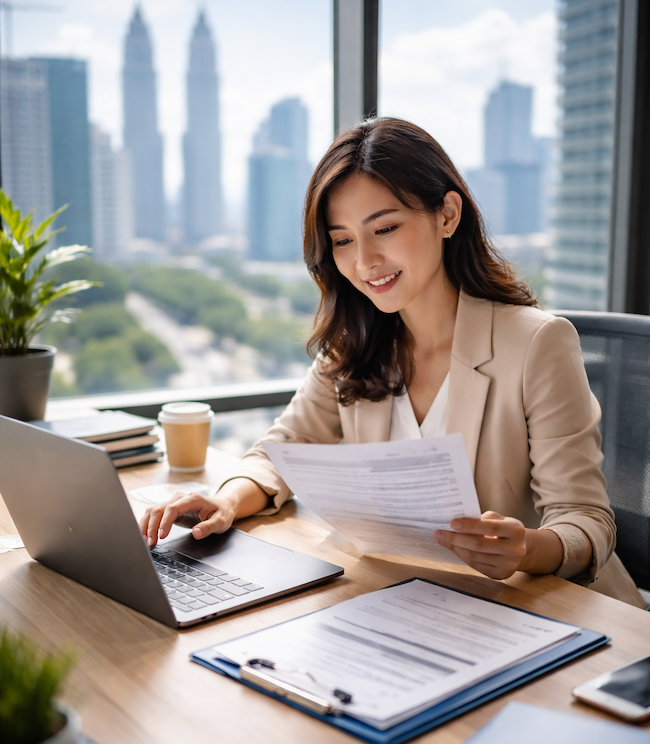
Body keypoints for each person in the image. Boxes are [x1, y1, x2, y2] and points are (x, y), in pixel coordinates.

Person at [141, 118, 644, 607]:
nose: (364, 261)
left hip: (539, 610)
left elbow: (586, 522)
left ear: (448, 215)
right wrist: (227, 500)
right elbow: (282, 448)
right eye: (342, 240)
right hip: (412, 600)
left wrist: (526, 549)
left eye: (384, 228)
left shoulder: (538, 343)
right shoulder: (354, 346)